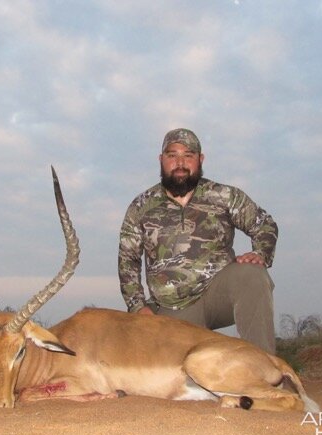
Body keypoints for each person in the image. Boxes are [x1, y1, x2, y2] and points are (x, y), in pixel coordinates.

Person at [118, 128, 278, 354]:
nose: (180, 163)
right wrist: (137, 307)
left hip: (217, 294)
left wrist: (260, 252)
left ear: (200, 159)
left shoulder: (224, 195)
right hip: (171, 307)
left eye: (188, 156)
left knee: (252, 275)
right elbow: (128, 260)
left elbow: (264, 224)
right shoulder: (140, 206)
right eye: (172, 155)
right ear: (161, 159)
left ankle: (264, 369)